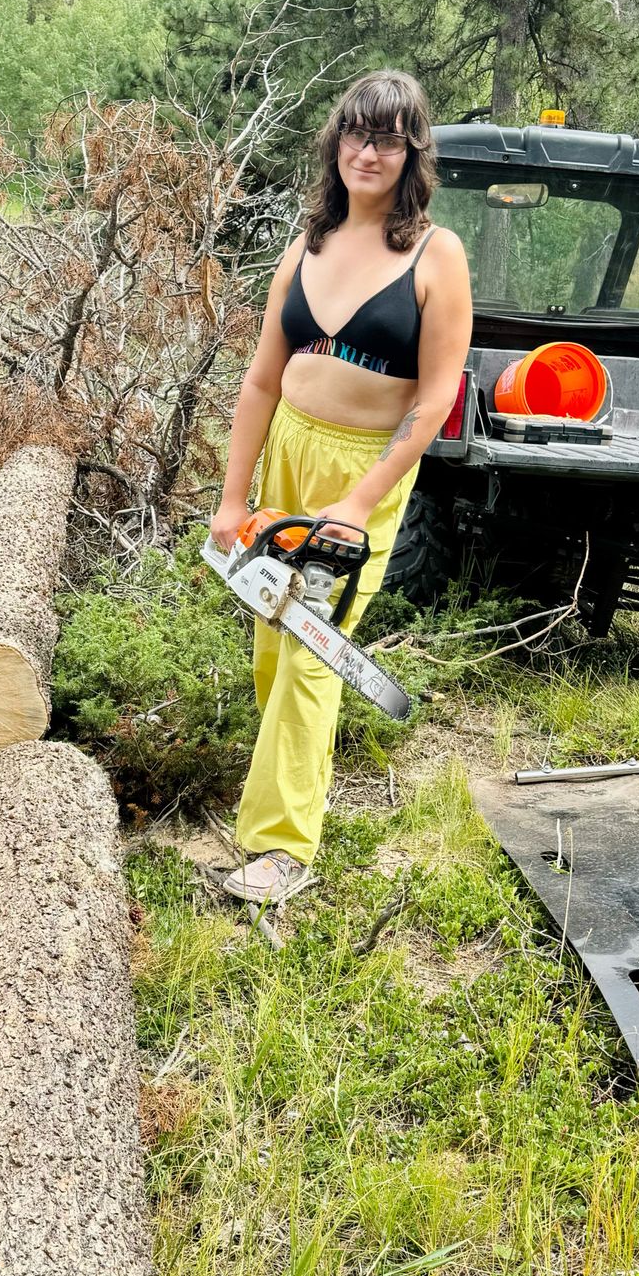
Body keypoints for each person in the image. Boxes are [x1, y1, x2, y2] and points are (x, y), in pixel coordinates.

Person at [210, 69, 473, 903]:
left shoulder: (436, 255)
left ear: (411, 152)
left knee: (313, 647)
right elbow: (260, 381)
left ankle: (283, 849)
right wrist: (232, 497)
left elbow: (437, 399)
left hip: (362, 473)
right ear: (336, 144)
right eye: (357, 134)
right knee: (270, 643)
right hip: (285, 453)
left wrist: (359, 502)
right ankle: (286, 799)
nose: (369, 151)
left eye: (389, 138)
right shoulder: (306, 245)